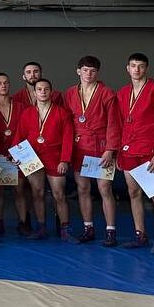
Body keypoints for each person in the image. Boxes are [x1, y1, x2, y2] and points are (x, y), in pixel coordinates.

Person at [62, 56, 122, 246]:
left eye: (93, 71)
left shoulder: (107, 93)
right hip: (79, 146)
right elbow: (67, 123)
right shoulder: (70, 93)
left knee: (104, 189)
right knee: (83, 189)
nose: (89, 74)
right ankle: (88, 228)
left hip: (101, 146)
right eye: (85, 70)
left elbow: (114, 123)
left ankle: (110, 230)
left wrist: (110, 150)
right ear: (78, 71)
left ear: (98, 73)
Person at [116, 52, 154, 253]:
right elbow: (119, 123)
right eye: (133, 66)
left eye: (141, 66)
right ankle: (140, 234)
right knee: (133, 193)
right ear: (128, 69)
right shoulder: (123, 92)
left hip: (149, 150)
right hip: (128, 149)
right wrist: (118, 150)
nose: (137, 70)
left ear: (146, 68)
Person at [13, 78, 75, 241]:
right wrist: (16, 156)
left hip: (55, 157)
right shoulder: (27, 113)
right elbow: (19, 136)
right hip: (32, 157)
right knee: (37, 193)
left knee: (59, 194)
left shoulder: (62, 113)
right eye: (39, 89)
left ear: (51, 92)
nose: (43, 92)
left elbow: (68, 138)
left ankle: (65, 229)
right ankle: (41, 228)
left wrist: (64, 160)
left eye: (46, 89)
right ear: (34, 93)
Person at [0, 72, 32, 237]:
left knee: (20, 190)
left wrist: (19, 152)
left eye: (6, 82)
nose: (3, 85)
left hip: (17, 155)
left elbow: (28, 130)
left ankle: (23, 222)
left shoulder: (21, 106)